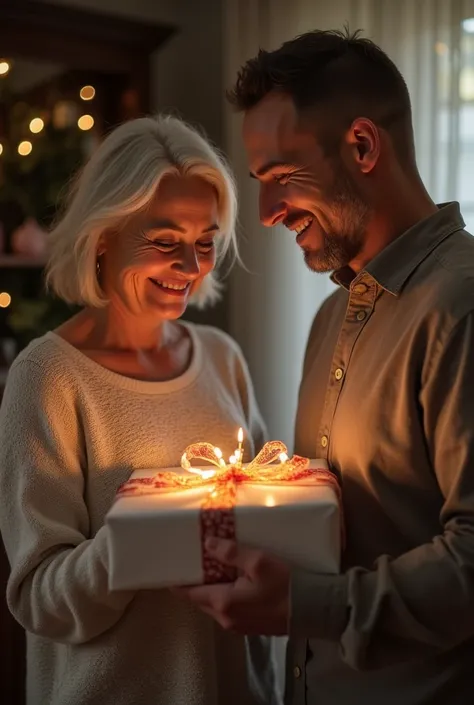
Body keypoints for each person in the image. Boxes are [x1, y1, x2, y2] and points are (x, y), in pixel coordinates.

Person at [178, 28, 474, 705]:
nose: (267, 212)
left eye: (282, 177)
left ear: (363, 146)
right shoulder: (328, 320)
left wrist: (305, 604)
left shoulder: (461, 308)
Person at [0, 114, 279, 705]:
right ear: (104, 237)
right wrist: (140, 540)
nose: (191, 265)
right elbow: (39, 598)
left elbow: (258, 523)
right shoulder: (48, 377)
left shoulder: (222, 359)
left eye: (205, 242)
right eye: (164, 240)